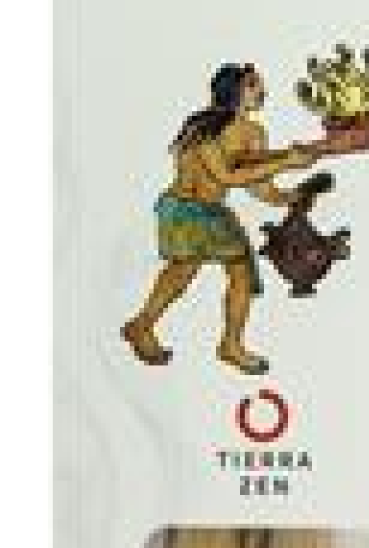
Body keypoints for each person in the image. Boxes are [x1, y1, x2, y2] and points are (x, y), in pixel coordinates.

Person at [122, 63, 316, 374]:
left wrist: (290, 196)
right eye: (252, 85)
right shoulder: (203, 128)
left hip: (214, 213)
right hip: (184, 210)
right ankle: (142, 326)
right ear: (232, 89)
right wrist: (285, 162)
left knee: (241, 274)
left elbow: (260, 187)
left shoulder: (255, 133)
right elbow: (225, 176)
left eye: (260, 85)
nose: (261, 92)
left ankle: (230, 344)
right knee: (181, 273)